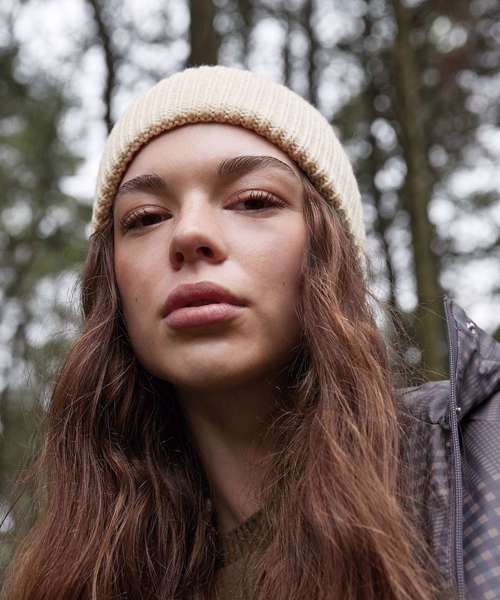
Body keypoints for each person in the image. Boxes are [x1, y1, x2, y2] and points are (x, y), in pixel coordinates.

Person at [2, 65, 500, 600]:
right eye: (146, 217)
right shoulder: (88, 574)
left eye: (254, 200)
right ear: (112, 282)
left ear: (328, 252)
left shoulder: (478, 458)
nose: (189, 233)